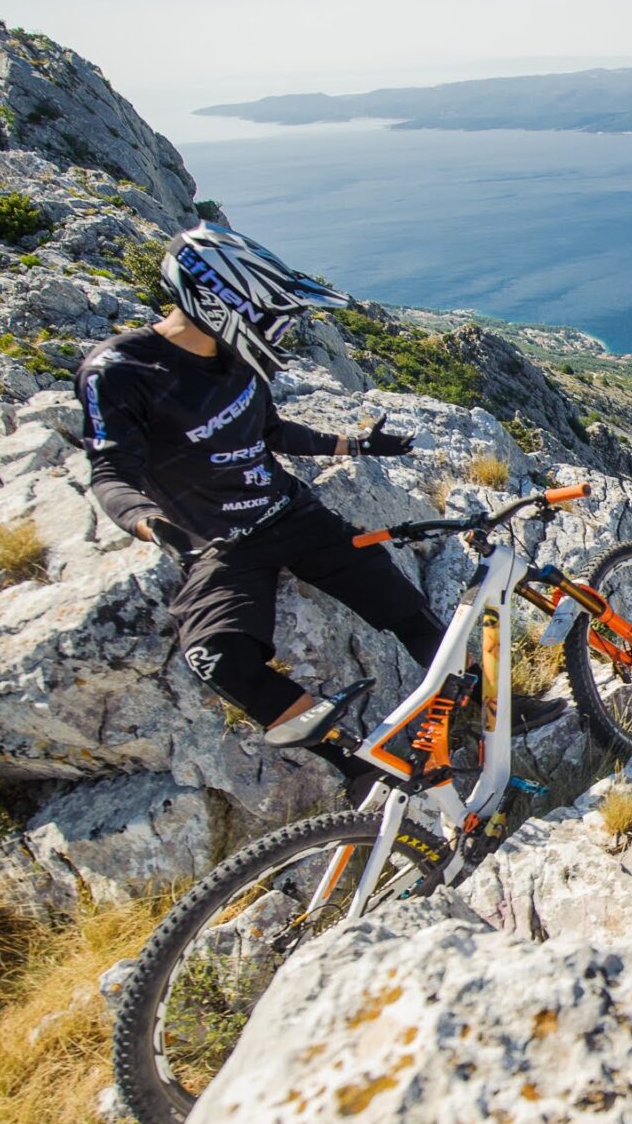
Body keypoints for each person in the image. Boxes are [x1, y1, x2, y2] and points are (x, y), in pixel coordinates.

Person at [75, 224, 561, 798]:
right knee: (216, 656)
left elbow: (271, 430)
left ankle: (494, 707)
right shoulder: (119, 373)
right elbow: (110, 472)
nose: (274, 329)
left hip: (292, 515)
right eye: (265, 313)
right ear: (221, 302)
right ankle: (355, 766)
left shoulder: (235, 358)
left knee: (404, 606)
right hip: (219, 543)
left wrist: (356, 446)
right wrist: (146, 522)